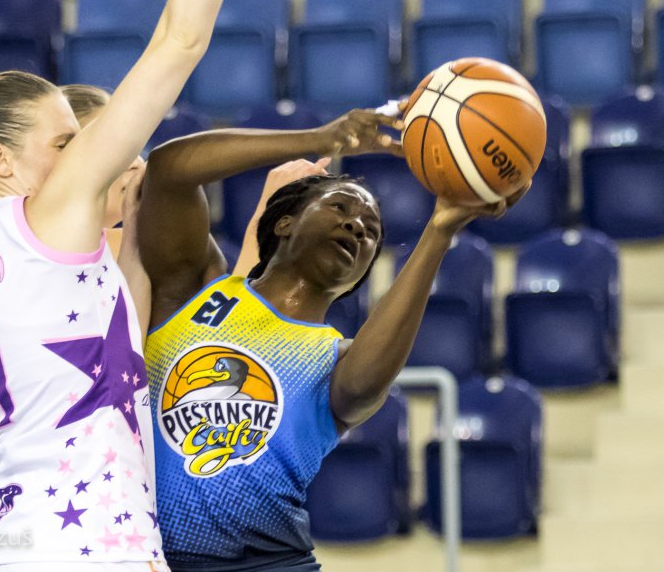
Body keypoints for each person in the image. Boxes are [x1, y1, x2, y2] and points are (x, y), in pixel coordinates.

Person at [0, 0, 233, 570]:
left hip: (12, 542)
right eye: (65, 143)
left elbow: (117, 320)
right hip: (91, 545)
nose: (82, 156)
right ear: (1, 161)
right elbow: (179, 43)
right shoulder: (47, 218)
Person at [132, 108, 527, 571]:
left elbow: (363, 388)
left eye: (371, 232)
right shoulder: (197, 287)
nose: (357, 226)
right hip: (139, 556)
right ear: (284, 223)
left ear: (358, 278)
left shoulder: (335, 359)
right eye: (340, 207)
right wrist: (320, 138)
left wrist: (439, 228)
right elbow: (168, 170)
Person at [59, 83, 331, 342]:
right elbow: (216, 337)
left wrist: (268, 212)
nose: (135, 163)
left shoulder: (138, 239)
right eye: (111, 149)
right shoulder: (44, 261)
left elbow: (216, 331)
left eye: (135, 146)